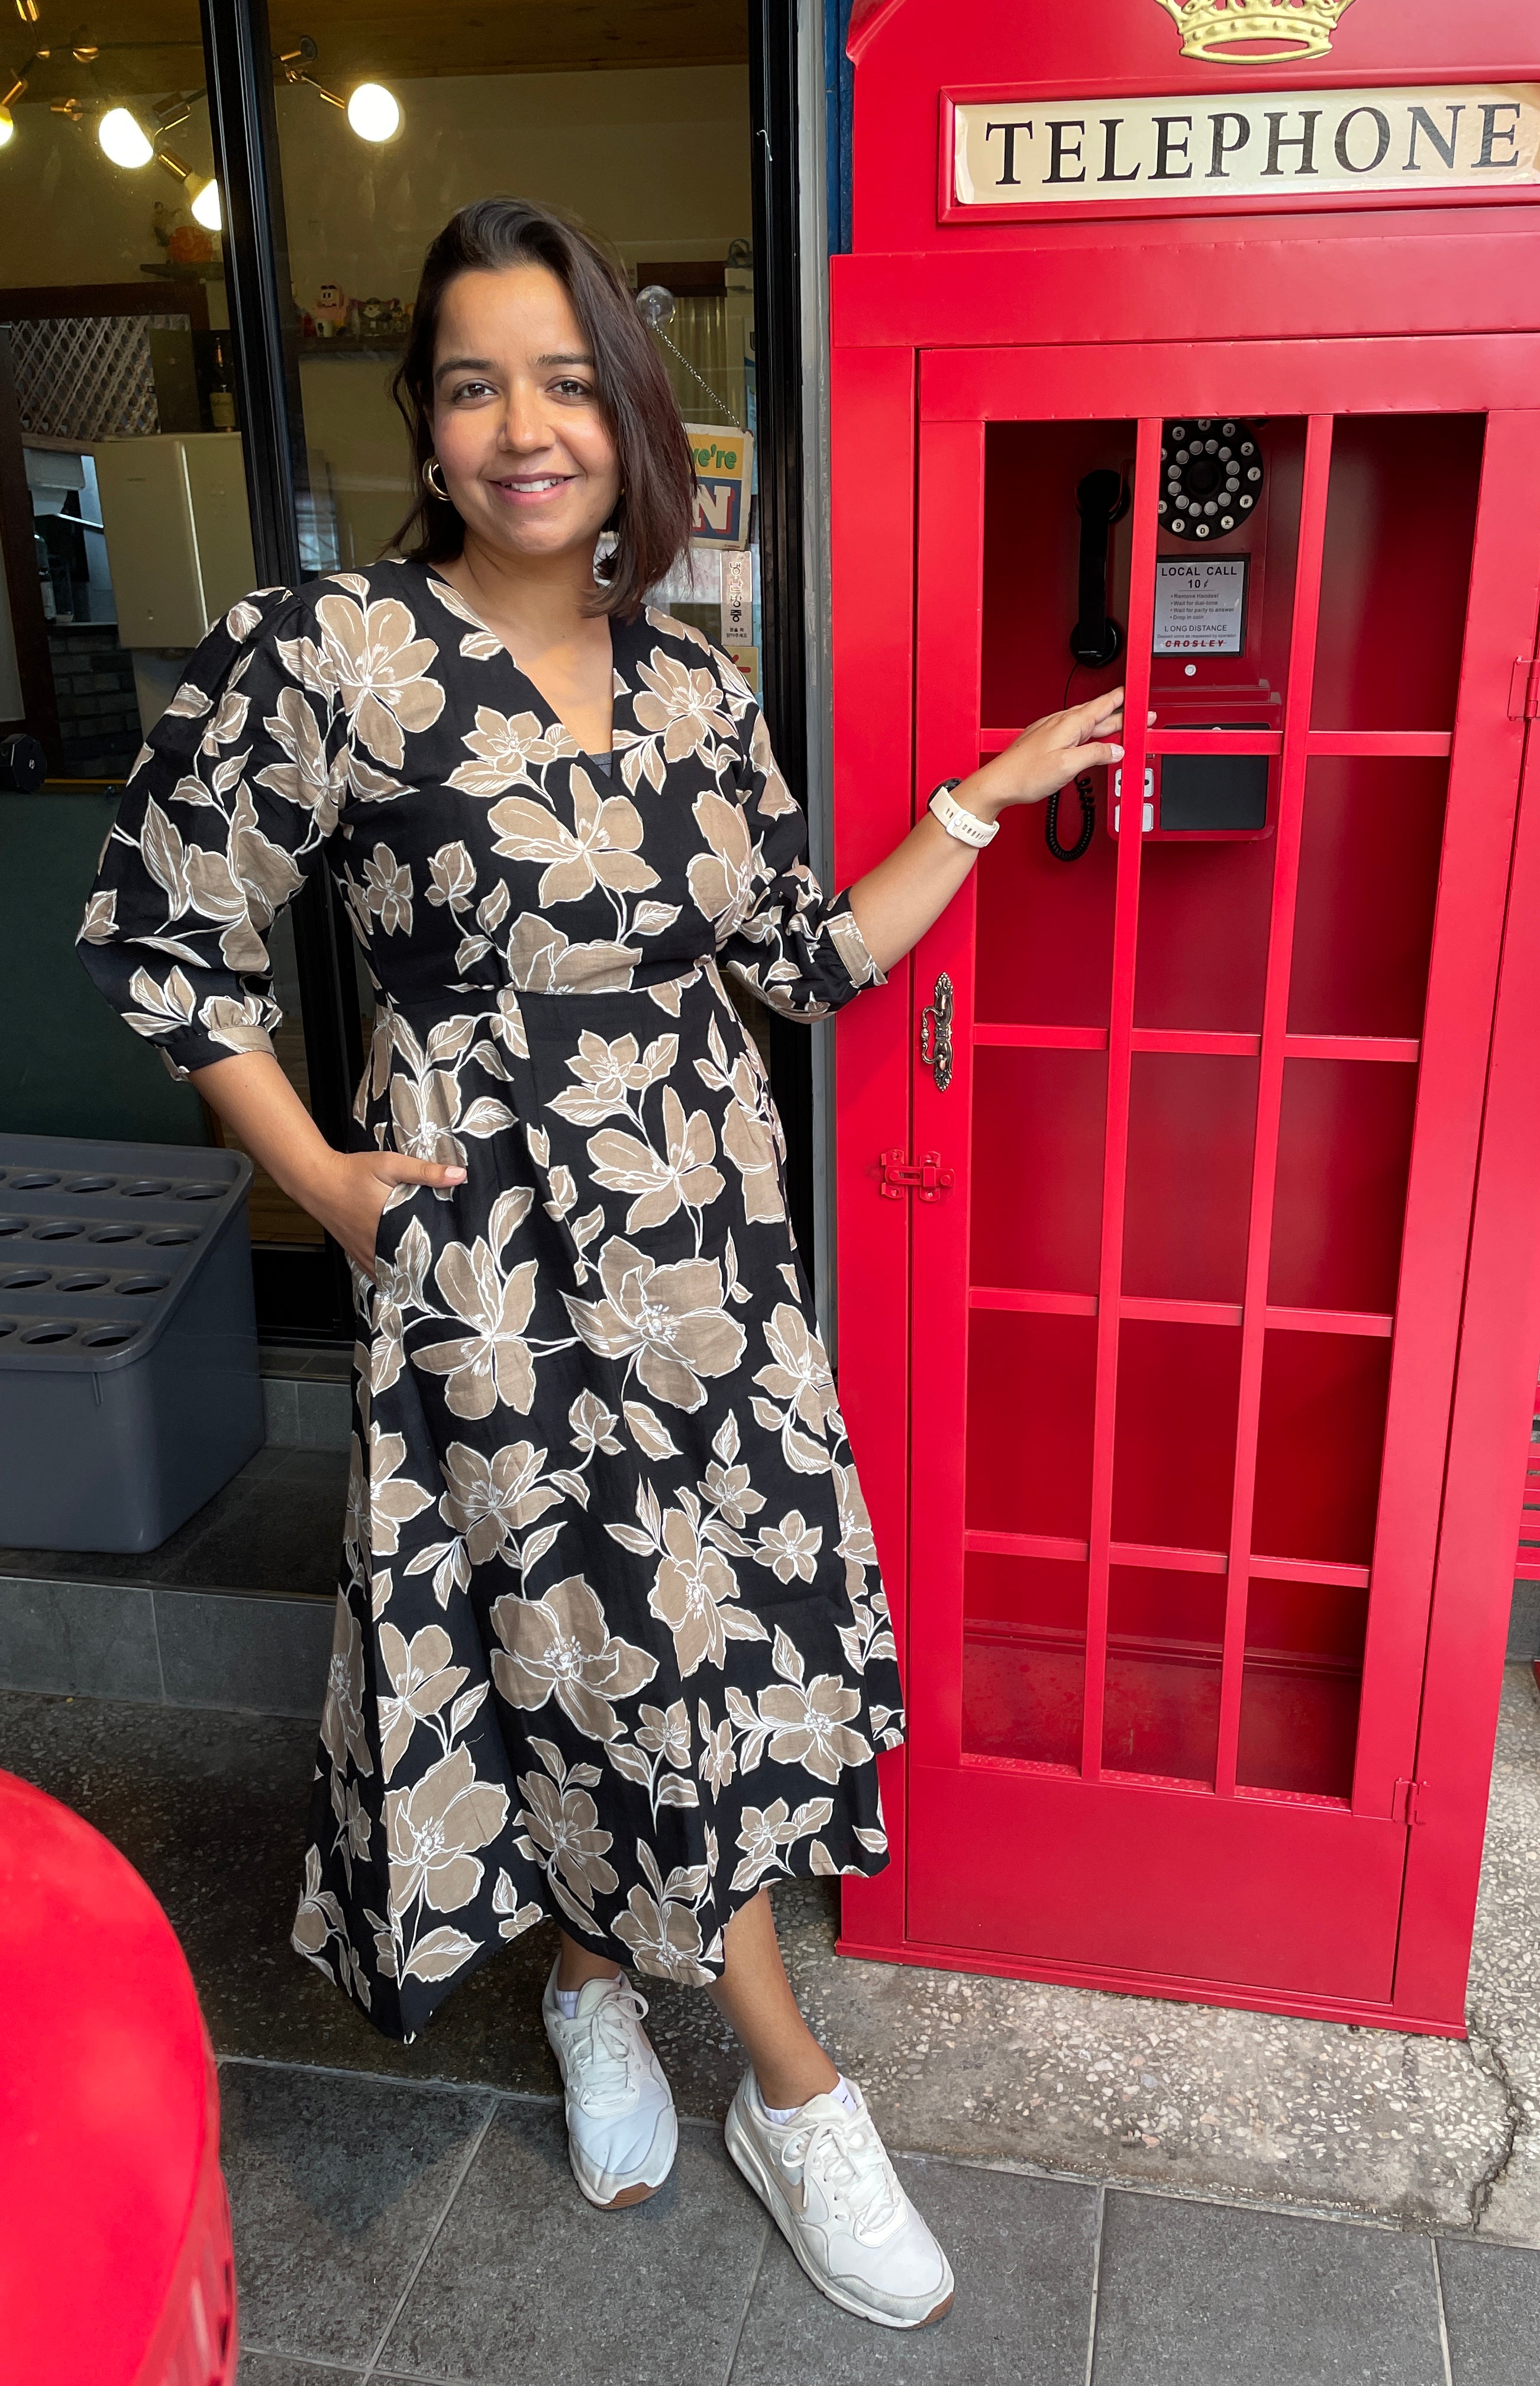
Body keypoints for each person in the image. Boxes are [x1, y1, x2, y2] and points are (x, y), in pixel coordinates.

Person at [79, 196, 1122, 2332]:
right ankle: (794, 2086)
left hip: (712, 1258)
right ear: (429, 427)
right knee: (594, 1650)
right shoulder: (335, 655)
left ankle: (589, 1985)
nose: (523, 426)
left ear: (629, 417)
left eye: (565, 379)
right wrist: (329, 1189)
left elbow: (803, 962)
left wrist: (986, 797)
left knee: (700, 1652)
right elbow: (165, 941)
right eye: (474, 383)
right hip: (493, 1281)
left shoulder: (694, 683)